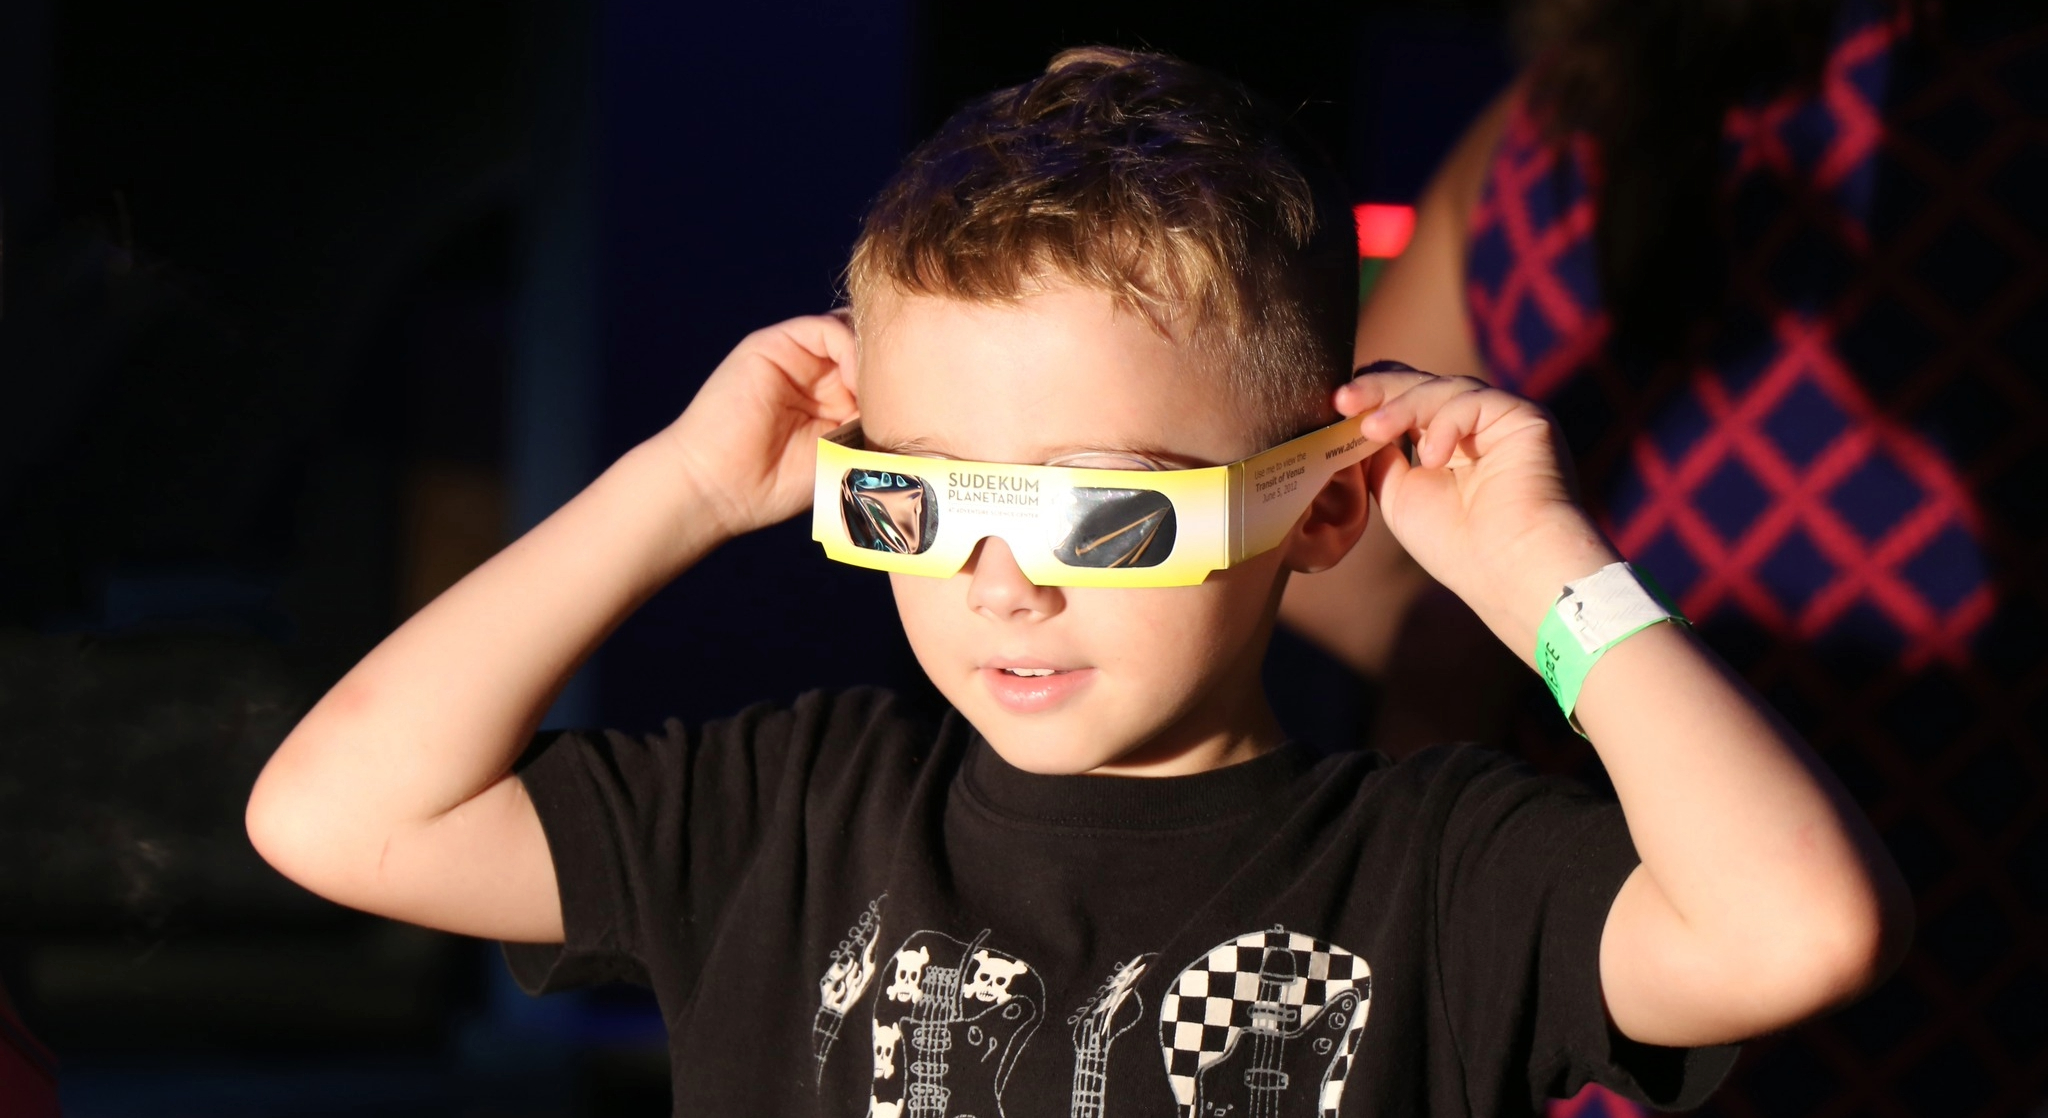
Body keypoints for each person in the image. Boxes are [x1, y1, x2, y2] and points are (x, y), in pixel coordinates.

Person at [245, 48, 1909, 1117]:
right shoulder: (785, 816)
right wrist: (677, 484)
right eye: (911, 500)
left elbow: (1796, 925)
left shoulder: (1434, 873)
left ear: (1315, 515)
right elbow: (333, 814)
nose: (998, 583)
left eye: (1101, 517)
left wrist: (1551, 576)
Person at [1282, 1, 2046, 1114]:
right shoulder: (1998, 87)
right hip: (1971, 941)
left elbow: (1341, 546)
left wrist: (1540, 638)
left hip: (1618, 953)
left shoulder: (1537, 134)